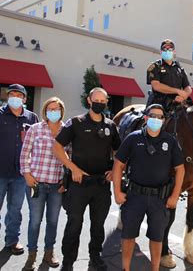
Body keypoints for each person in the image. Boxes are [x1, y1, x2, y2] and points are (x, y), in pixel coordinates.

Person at [53, 87, 121, 271]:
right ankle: (68, 261)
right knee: (74, 224)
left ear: (107, 102)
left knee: (98, 225)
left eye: (103, 100)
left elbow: (119, 153)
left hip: (101, 185)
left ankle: (95, 256)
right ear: (89, 100)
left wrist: (114, 170)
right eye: (96, 100)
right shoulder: (76, 122)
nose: (100, 103)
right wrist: (72, 168)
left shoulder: (111, 126)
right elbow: (57, 147)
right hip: (78, 184)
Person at [113, 104, 185, 271]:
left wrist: (175, 195)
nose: (156, 119)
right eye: (153, 116)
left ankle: (155, 268)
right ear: (145, 117)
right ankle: (126, 268)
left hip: (160, 199)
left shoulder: (170, 141)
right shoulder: (133, 138)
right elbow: (118, 165)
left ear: (163, 120)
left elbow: (180, 169)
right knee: (128, 235)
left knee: (157, 237)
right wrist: (116, 192)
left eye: (160, 117)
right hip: (134, 196)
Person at [0, 84, 39, 260]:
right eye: (12, 94)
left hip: (21, 175)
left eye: (19, 95)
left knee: (15, 210)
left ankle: (12, 240)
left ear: (25, 99)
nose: (16, 97)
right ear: (7, 96)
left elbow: (37, 145)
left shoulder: (32, 118)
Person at [20, 97, 70, 270]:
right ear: (45, 111)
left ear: (61, 111)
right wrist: (26, 173)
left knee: (53, 221)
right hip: (36, 184)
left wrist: (66, 181)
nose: (53, 112)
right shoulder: (35, 129)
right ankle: (31, 255)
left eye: (57, 109)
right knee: (35, 221)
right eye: (50, 109)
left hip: (57, 185)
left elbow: (69, 159)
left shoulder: (67, 132)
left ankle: (49, 253)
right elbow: (24, 153)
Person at [146, 39, 192, 112]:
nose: (167, 51)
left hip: (177, 103)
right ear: (161, 52)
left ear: (174, 52)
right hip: (159, 104)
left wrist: (183, 96)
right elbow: (156, 86)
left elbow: (188, 87)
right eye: (165, 49)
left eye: (170, 49)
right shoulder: (155, 66)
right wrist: (177, 91)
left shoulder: (180, 68)